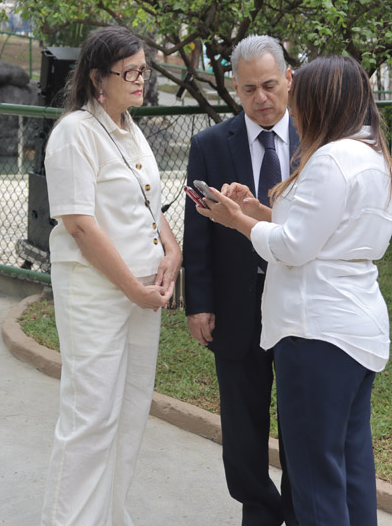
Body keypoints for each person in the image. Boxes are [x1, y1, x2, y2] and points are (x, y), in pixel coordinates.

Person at [196, 55, 392, 526]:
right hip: (355, 330)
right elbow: (324, 231)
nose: (292, 109)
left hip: (315, 333)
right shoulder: (370, 155)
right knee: (349, 470)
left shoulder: (329, 158)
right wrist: (260, 211)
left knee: (313, 478)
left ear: (320, 101)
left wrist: (237, 221)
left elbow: (294, 246)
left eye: (297, 97)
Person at [40, 26, 182, 526]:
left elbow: (148, 201)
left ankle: (111, 517)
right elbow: (79, 224)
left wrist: (171, 249)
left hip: (144, 291)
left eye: (145, 69)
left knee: (129, 413)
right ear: (98, 78)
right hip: (98, 293)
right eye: (130, 72)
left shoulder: (130, 126)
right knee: (91, 417)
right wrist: (132, 288)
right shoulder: (75, 132)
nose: (141, 80)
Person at [183, 34, 299, 526]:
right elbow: (198, 232)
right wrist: (198, 302)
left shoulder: (317, 141)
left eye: (270, 85)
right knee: (242, 422)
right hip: (234, 305)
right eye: (249, 89)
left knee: (299, 419)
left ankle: (298, 509)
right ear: (235, 87)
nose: (262, 98)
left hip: (297, 303)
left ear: (289, 78)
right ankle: (260, 510)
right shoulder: (210, 145)